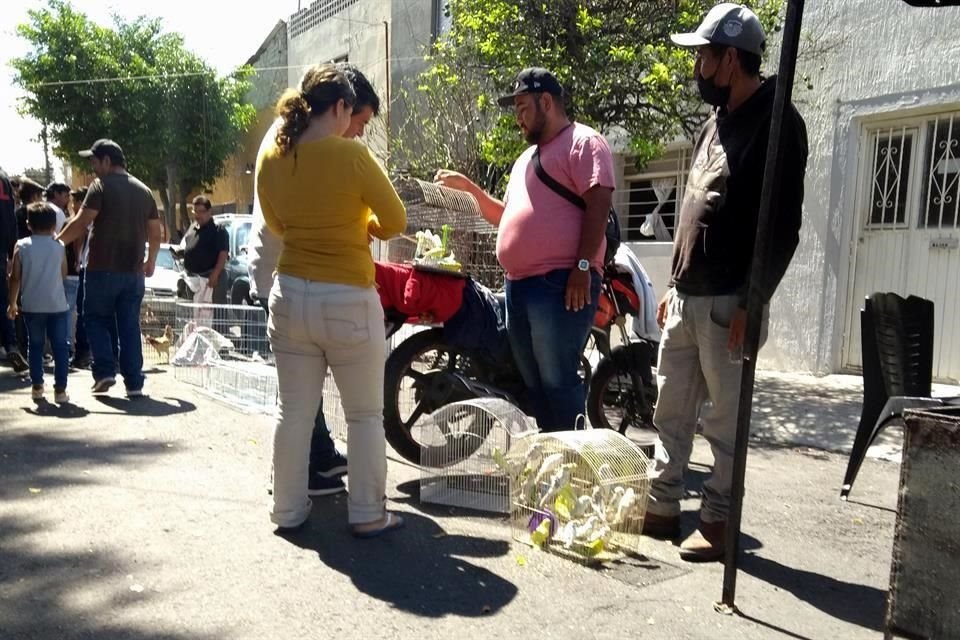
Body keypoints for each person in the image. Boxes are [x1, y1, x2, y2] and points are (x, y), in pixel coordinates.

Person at [641, 3, 808, 562]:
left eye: (704, 57)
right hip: (688, 297)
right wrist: (674, 281)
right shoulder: (716, 123)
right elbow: (695, 206)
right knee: (671, 410)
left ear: (730, 59)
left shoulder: (779, 123)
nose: (698, 68)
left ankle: (717, 522)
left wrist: (752, 301)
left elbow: (783, 227)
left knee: (724, 423)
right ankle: (662, 507)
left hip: (729, 302)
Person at [257, 64, 406, 535]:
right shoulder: (352, 157)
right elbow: (396, 220)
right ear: (341, 107)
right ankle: (367, 513)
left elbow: (278, 225)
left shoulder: (274, 157)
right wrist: (364, 226)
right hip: (347, 297)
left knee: (293, 412)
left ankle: (287, 511)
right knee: (364, 414)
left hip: (290, 295)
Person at [435, 67, 615, 432]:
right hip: (519, 286)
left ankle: (573, 467)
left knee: (557, 380)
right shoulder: (525, 161)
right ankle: (549, 461)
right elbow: (507, 219)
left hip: (561, 282)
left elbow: (599, 203)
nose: (517, 117)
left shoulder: (583, 143)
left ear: (546, 102)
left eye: (522, 107)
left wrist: (582, 266)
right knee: (534, 384)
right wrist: (469, 189)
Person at [58, 139, 162, 397]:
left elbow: (82, 222)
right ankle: (134, 383)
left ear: (107, 161)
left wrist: (56, 242)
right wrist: (151, 261)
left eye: (94, 161)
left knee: (95, 318)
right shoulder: (144, 191)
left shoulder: (100, 187)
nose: (93, 168)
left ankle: (104, 371)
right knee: (129, 325)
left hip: (102, 269)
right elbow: (155, 231)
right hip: (134, 272)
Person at [6, 202, 70, 403]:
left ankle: (37, 386)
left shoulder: (21, 246)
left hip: (32, 306)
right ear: (54, 225)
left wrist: (12, 303)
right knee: (60, 346)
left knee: (35, 346)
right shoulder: (59, 246)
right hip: (57, 305)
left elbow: (15, 277)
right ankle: (60, 390)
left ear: (28, 224)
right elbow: (64, 274)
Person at [178, 195, 229, 306]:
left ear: (209, 211)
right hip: (193, 280)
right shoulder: (193, 228)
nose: (198, 215)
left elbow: (223, 253)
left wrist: (215, 274)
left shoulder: (218, 229)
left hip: (211, 280)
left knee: (215, 316)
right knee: (195, 317)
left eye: (201, 211)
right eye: (195, 211)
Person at [0, 168, 25, 370]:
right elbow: (9, 218)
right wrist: (11, 251)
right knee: (1, 299)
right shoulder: (3, 180)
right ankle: (10, 344)